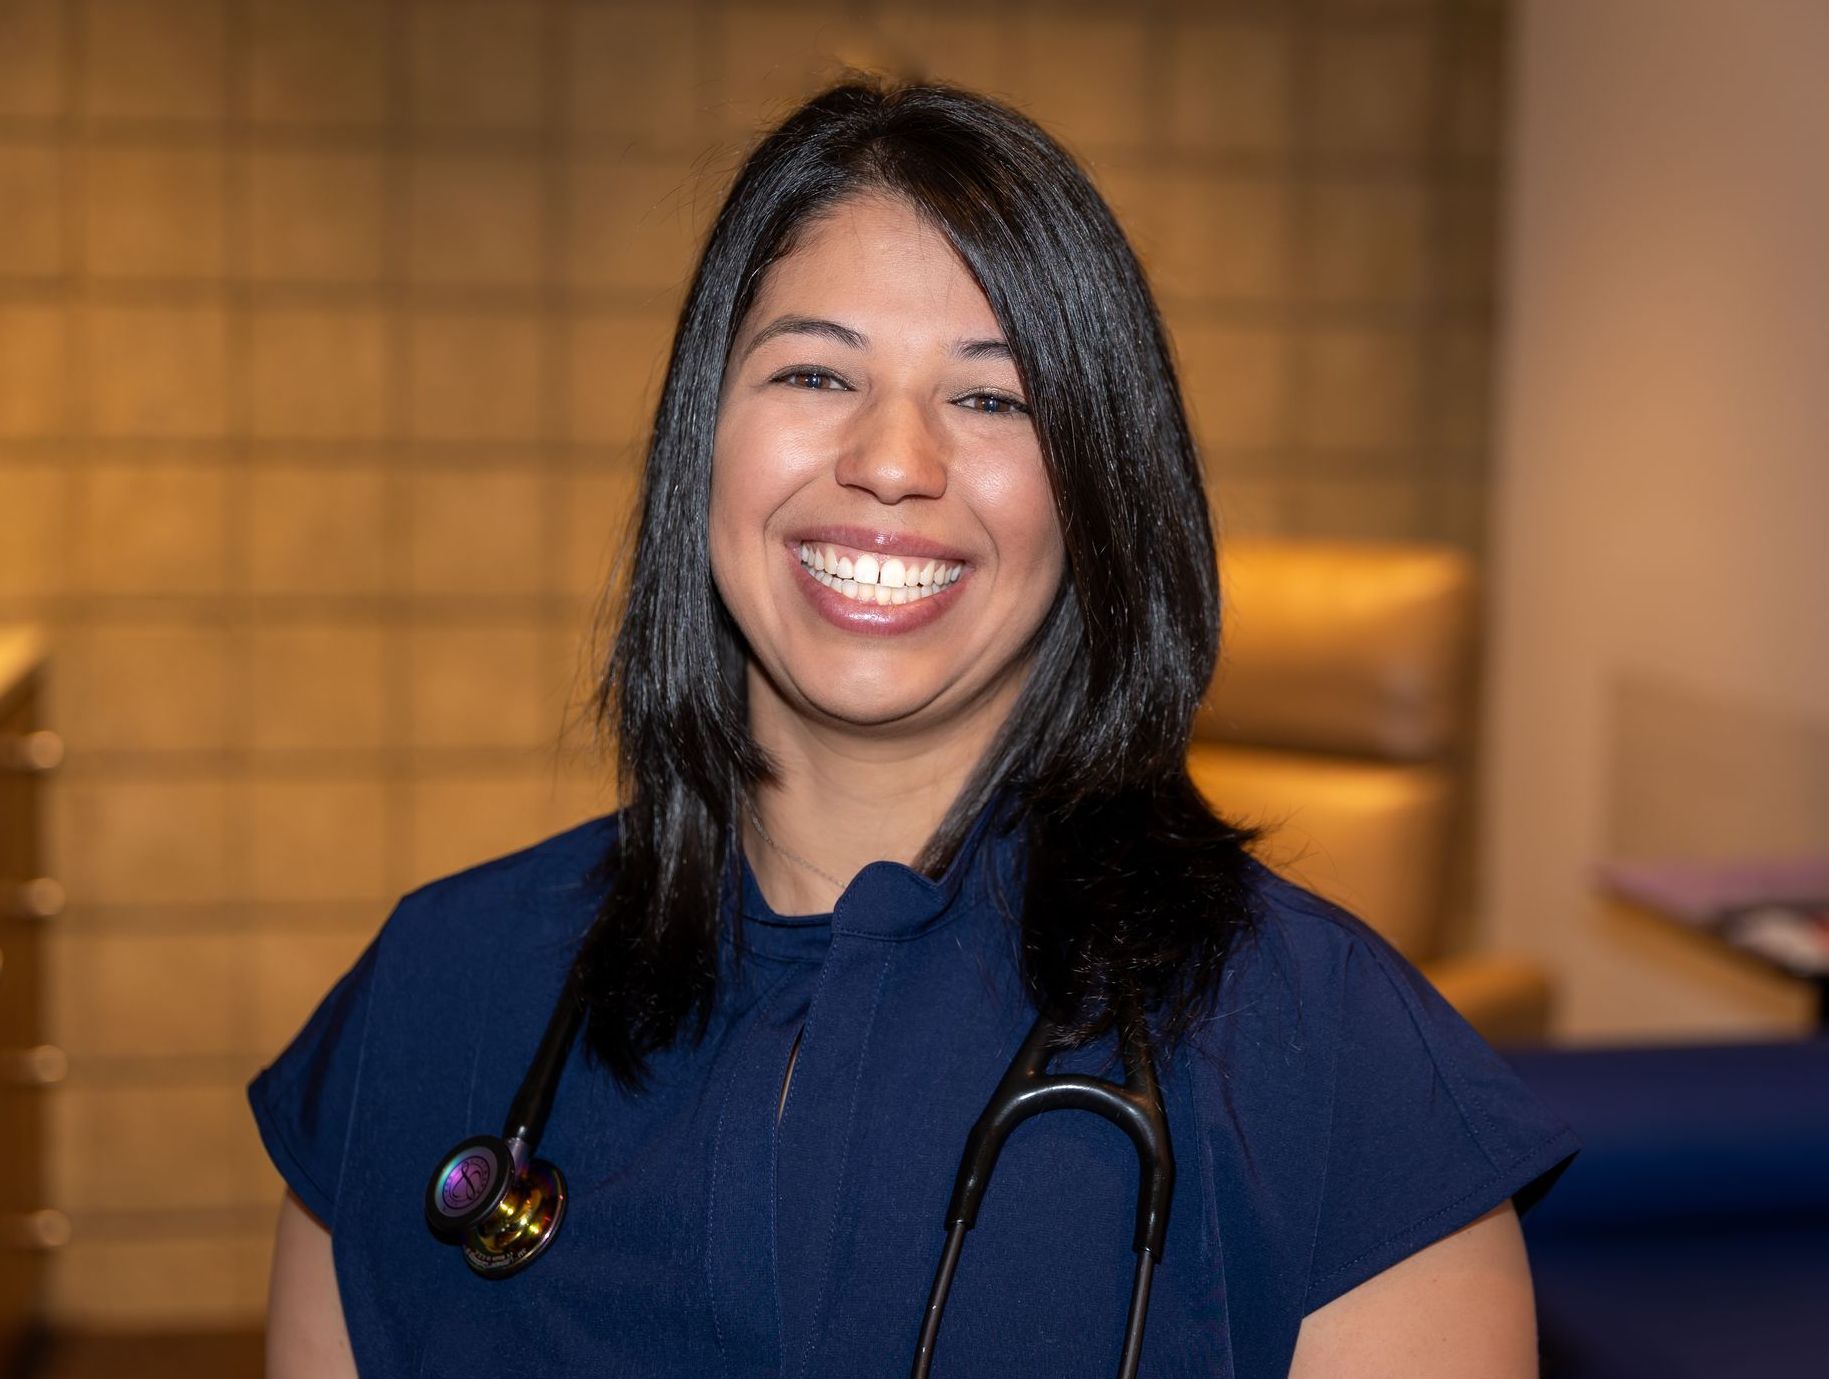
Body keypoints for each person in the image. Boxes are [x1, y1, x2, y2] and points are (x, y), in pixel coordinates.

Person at [252, 80, 1577, 1378]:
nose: (893, 460)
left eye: (992, 398)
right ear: (700, 443)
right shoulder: (434, 991)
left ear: (1098, 492)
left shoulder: (1330, 1056)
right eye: (816, 371)